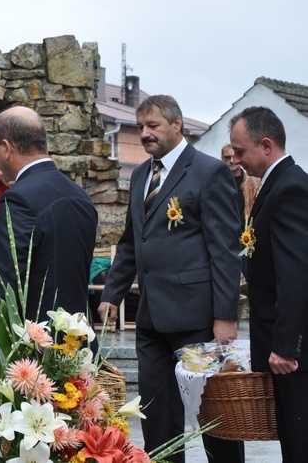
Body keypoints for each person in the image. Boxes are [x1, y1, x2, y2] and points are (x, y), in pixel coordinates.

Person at [98, 95, 244, 463]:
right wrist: (111, 294)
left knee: (215, 422)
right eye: (141, 127)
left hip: (198, 320)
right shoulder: (141, 175)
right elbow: (132, 241)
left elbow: (225, 251)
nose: (145, 134)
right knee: (157, 418)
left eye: (153, 126)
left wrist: (225, 317)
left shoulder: (209, 173)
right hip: (151, 319)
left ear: (176, 125)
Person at [0, 106, 98, 377]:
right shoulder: (81, 196)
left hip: (33, 354)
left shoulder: (18, 199)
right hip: (77, 343)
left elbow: (6, 286)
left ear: (6, 147)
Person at [229, 106, 308, 462]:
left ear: (265, 145)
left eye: (241, 151)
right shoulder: (276, 184)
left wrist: (287, 346)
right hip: (279, 340)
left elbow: (296, 272)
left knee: (300, 440)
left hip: (292, 352)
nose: (237, 159)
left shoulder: (290, 187)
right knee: (291, 439)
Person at [221, 143, 260, 229]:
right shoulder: (216, 183)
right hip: (225, 233)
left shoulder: (254, 182)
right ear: (222, 159)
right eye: (227, 157)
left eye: (234, 156)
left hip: (248, 235)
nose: (231, 161)